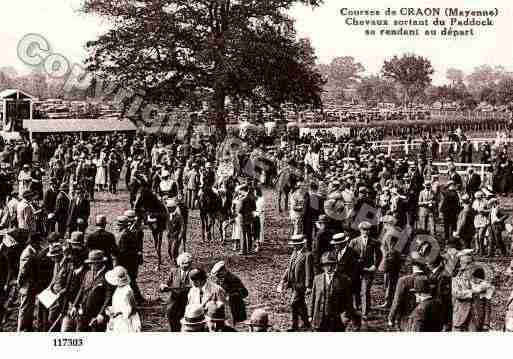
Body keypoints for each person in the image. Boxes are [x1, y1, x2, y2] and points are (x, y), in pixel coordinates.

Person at [309, 252, 361, 332]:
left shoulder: (343, 279)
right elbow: (313, 298)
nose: (329, 268)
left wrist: (347, 315)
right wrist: (310, 314)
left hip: (336, 318)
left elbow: (348, 300)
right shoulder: (317, 279)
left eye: (331, 265)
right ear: (322, 266)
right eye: (326, 265)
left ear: (335, 265)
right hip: (319, 317)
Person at [70, 250, 112, 332]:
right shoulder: (88, 273)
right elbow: (81, 290)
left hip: (96, 315)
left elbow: (108, 297)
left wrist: (101, 313)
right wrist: (74, 305)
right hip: (83, 312)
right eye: (90, 263)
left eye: (93, 263)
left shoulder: (107, 275)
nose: (91, 265)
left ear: (100, 263)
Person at [277, 234, 313, 331]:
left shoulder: (307, 255)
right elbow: (289, 268)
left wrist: (308, 286)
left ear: (302, 244)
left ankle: (294, 325)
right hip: (293, 284)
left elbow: (308, 271)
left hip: (300, 285)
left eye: (296, 244)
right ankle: (306, 323)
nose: (294, 246)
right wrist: (283, 279)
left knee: (293, 303)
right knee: (300, 304)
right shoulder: (294, 253)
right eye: (294, 244)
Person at [348, 221, 382, 320]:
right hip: (356, 270)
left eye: (367, 230)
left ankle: (365, 312)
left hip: (368, 270)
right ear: (360, 230)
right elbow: (349, 255)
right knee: (355, 289)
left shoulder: (374, 242)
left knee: (365, 290)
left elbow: (379, 255)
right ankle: (355, 308)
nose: (365, 232)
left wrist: (375, 266)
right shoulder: (354, 241)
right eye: (363, 230)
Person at [452, 250, 490, 331]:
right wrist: (473, 292)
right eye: (467, 263)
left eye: (471, 263)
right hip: (459, 318)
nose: (470, 266)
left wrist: (486, 323)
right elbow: (457, 294)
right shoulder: (456, 280)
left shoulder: (481, 282)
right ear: (461, 265)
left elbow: (487, 303)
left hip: (476, 319)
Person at [388, 255, 426, 331]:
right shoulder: (431, 279)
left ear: (413, 266)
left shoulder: (404, 280)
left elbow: (397, 301)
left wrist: (391, 317)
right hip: (426, 318)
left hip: (407, 318)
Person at [160, 252, 193, 331]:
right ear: (179, 263)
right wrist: (163, 286)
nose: (186, 265)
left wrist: (175, 288)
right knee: (172, 320)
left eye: (188, 263)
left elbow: (193, 286)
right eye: (183, 263)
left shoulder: (193, 272)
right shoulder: (174, 272)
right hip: (174, 302)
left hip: (187, 302)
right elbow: (166, 283)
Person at [17, 232, 42, 331]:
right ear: (33, 242)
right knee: (24, 308)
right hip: (26, 285)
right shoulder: (27, 253)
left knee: (29, 307)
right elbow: (23, 271)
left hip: (30, 285)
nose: (38, 245)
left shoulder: (32, 251)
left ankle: (27, 326)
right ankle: (21, 328)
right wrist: (19, 283)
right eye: (37, 243)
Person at [116, 215, 144, 304]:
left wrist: (116, 256)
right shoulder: (128, 233)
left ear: (122, 225)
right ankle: (138, 298)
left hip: (126, 262)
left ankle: (137, 299)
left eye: (119, 225)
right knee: (131, 280)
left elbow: (123, 251)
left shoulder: (125, 235)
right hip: (130, 261)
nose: (117, 226)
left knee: (130, 280)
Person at [105, 266, 142, 332]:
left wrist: (118, 313)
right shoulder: (118, 288)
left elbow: (132, 309)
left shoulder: (128, 291)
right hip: (117, 319)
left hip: (124, 322)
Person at [210, 261, 248, 325]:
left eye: (219, 274)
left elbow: (245, 293)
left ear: (224, 270)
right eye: (217, 276)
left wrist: (230, 296)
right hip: (225, 308)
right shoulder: (219, 280)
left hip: (236, 308)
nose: (218, 277)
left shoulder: (233, 279)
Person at [166, 198, 184, 266]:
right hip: (170, 235)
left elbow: (182, 227)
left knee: (174, 250)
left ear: (173, 208)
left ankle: (176, 262)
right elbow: (167, 225)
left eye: (169, 208)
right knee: (169, 250)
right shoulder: (168, 216)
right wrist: (168, 231)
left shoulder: (178, 216)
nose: (168, 209)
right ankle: (173, 260)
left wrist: (180, 236)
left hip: (176, 235)